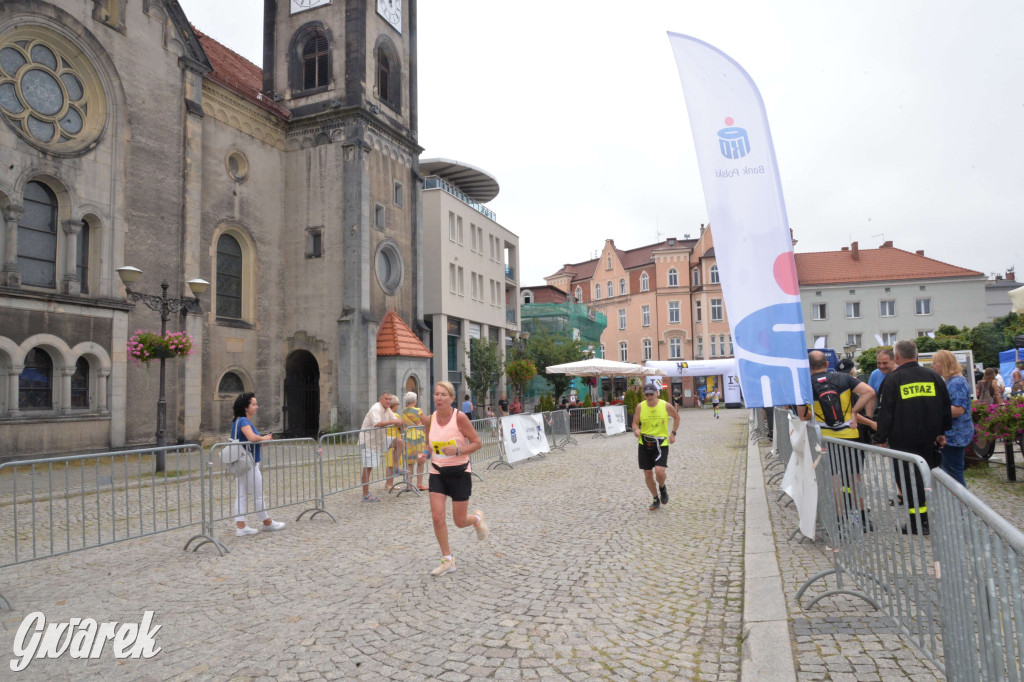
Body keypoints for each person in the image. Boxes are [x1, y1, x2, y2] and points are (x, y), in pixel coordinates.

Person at [874, 340, 951, 535]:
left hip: (902, 439)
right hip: (929, 438)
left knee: (908, 481)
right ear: (916, 355)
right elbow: (945, 408)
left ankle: (918, 522)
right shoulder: (933, 376)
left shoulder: (893, 379)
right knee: (926, 477)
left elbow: (885, 413)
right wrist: (942, 432)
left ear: (897, 357)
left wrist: (881, 438)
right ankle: (929, 518)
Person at [416, 381, 489, 576]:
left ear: (452, 398)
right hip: (437, 472)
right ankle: (448, 560)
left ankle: (477, 519)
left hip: (459, 472)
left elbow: (477, 443)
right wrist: (425, 453)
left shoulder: (460, 418)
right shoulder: (429, 420)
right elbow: (430, 445)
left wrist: (457, 450)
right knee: (437, 516)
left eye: (443, 395)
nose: (438, 398)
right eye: (436, 394)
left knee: (459, 520)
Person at [799, 351, 876, 528]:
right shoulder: (843, 378)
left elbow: (803, 415)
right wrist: (854, 412)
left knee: (834, 480)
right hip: (850, 435)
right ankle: (864, 519)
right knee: (855, 477)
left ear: (808, 367)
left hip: (826, 439)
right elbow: (869, 392)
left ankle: (840, 522)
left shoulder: (806, 384)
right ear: (826, 364)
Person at [230, 392, 286, 536]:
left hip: (241, 462)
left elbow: (250, 441)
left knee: (241, 494)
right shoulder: (243, 421)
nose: (256, 407)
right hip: (248, 464)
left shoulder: (237, 421)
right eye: (253, 404)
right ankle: (266, 522)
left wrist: (261, 441)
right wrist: (264, 437)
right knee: (258, 494)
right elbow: (251, 437)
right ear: (245, 407)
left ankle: (241, 525)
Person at [631, 381, 681, 511]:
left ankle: (662, 487)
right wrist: (636, 430)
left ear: (657, 393)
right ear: (644, 395)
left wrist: (673, 433)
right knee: (648, 473)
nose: (649, 397)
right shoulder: (640, 407)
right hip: (644, 443)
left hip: (661, 443)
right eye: (647, 394)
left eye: (651, 394)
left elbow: (676, 417)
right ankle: (655, 498)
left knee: (659, 471)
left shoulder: (665, 405)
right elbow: (634, 423)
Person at [932, 350, 973, 488]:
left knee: (954, 474)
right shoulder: (952, 381)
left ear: (944, 363)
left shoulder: (956, 382)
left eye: (935, 362)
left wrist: (932, 411)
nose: (932, 365)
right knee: (951, 472)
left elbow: (958, 409)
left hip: (955, 435)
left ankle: (962, 507)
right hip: (953, 434)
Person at [359, 393, 405, 502]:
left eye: (390, 399)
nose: (388, 401)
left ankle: (395, 467)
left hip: (380, 439)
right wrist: (394, 421)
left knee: (399, 442)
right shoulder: (376, 408)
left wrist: (400, 423)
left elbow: (395, 419)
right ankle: (365, 494)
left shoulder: (387, 409)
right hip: (368, 441)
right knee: (368, 467)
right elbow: (377, 423)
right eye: (386, 399)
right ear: (380, 399)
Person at [402, 392, 429, 491]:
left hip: (408, 437)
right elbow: (426, 421)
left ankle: (409, 485)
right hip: (419, 437)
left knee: (410, 462)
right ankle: (419, 484)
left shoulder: (404, 411)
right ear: (415, 400)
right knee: (420, 461)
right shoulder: (418, 410)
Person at [384, 394, 406, 491]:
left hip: (387, 440)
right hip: (394, 441)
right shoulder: (395, 416)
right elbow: (402, 428)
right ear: (395, 405)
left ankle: (388, 483)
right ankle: (389, 484)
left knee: (389, 463)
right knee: (391, 464)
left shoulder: (385, 415)